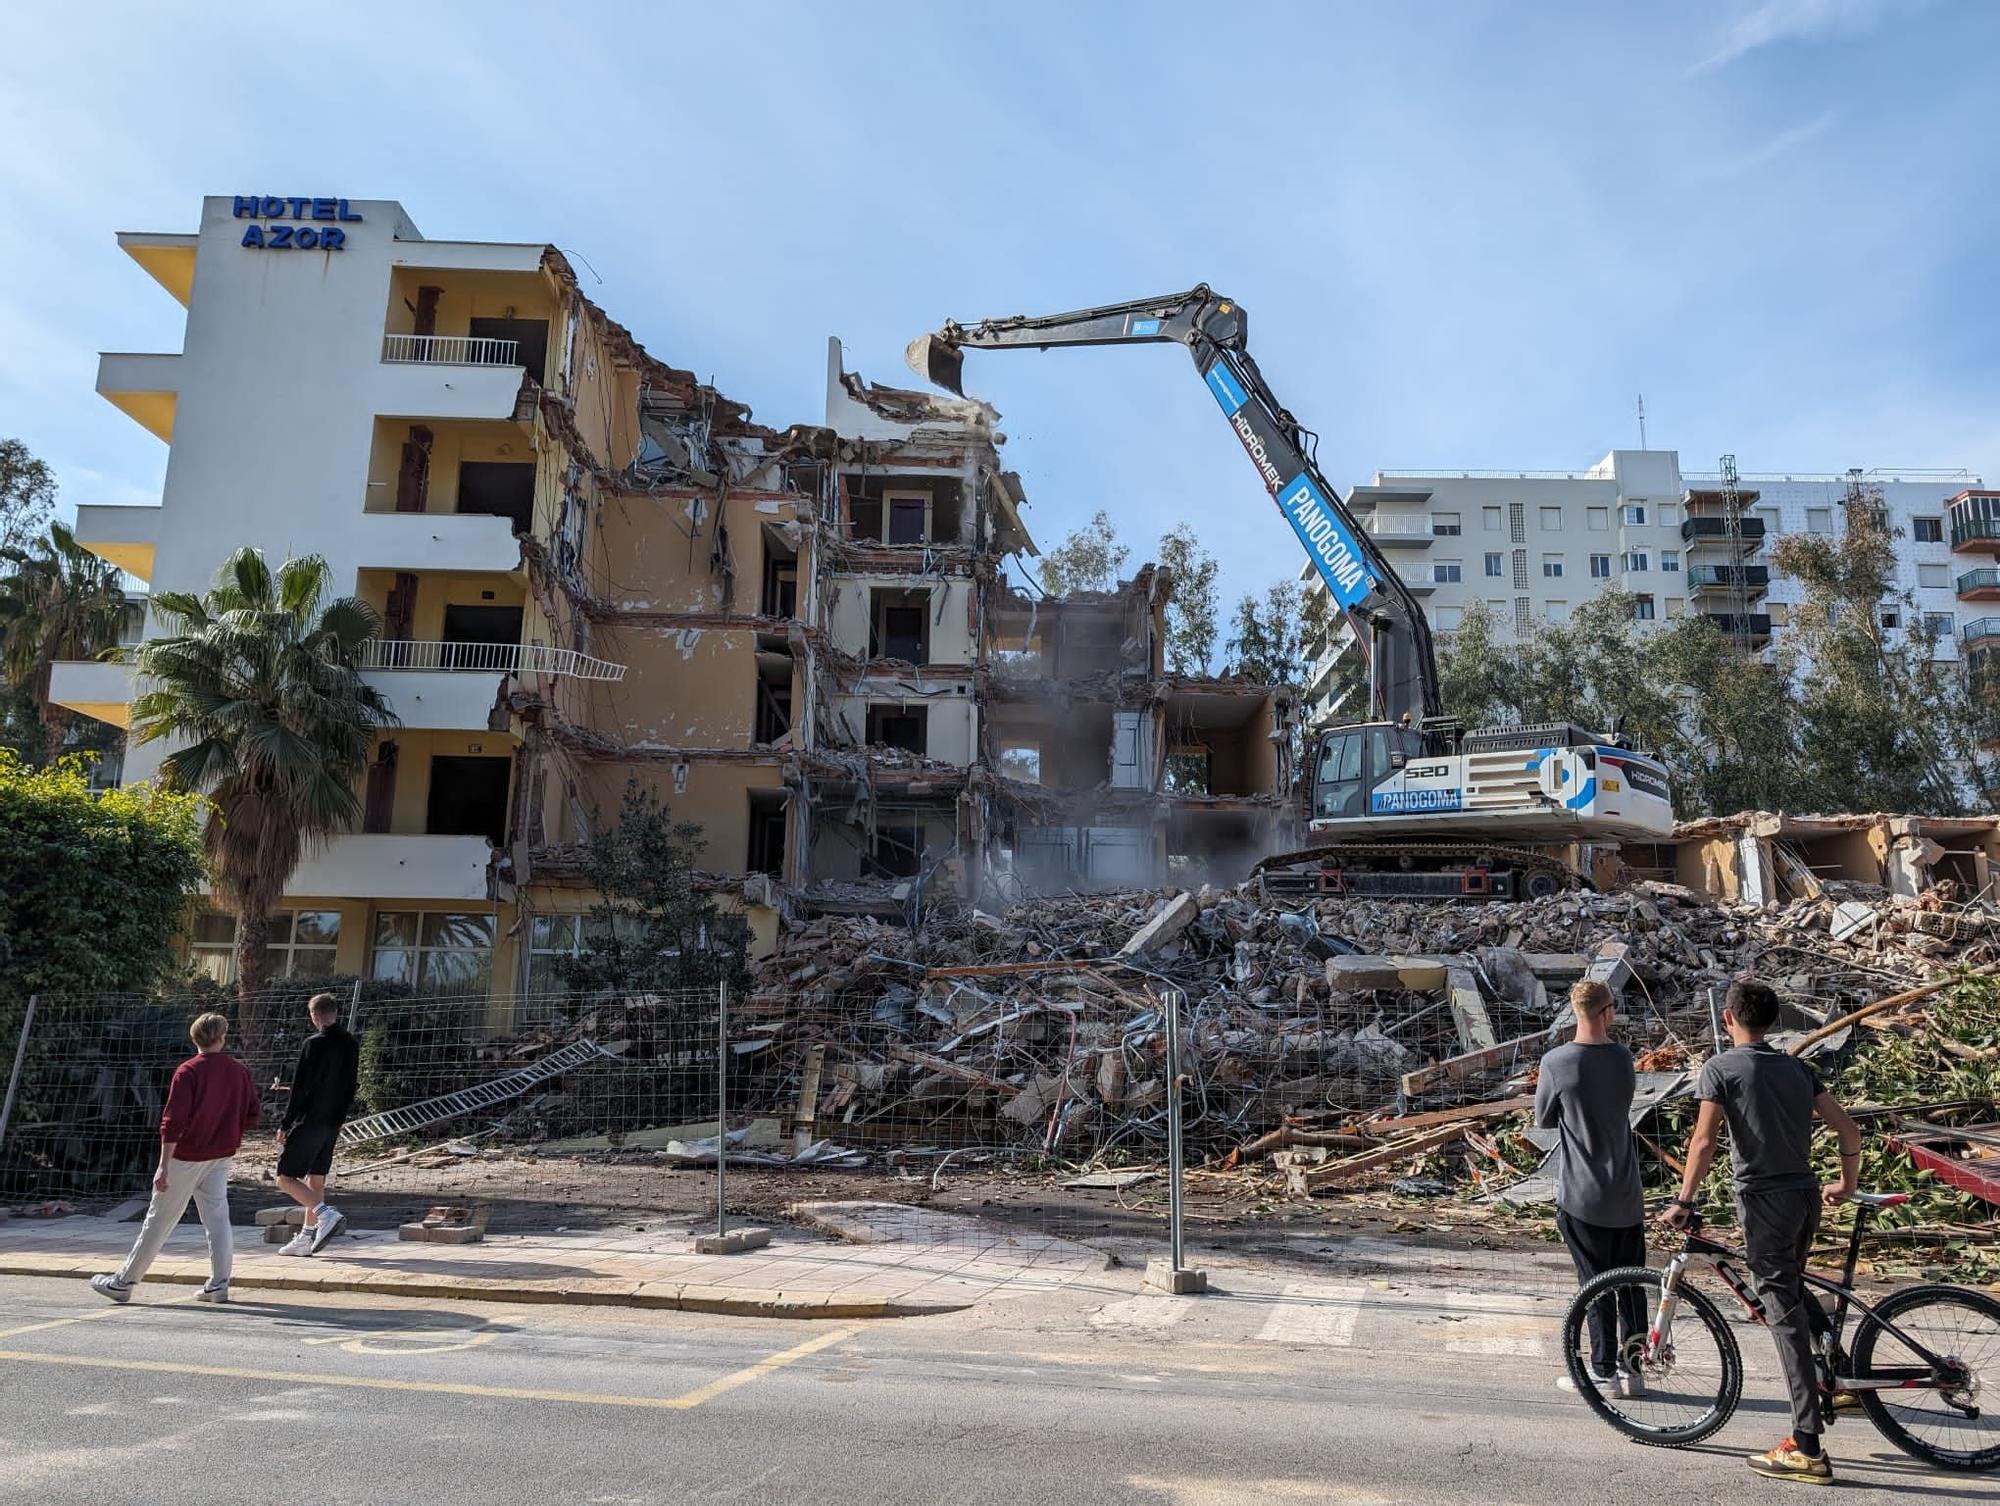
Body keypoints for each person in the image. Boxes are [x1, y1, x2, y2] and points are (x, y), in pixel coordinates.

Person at [1661, 977, 1863, 1486]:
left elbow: (1704, 1142)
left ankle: (1807, 1446)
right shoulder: (1799, 1068)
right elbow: (1849, 1130)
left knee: (1783, 1316)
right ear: (1774, 1022)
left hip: (1763, 1202)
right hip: (1805, 1197)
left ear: (1728, 1019)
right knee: (1791, 1287)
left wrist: (1684, 1201)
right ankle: (1835, 1374)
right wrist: (1846, 1181)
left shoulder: (1720, 1069)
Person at [93, 1012, 260, 1304]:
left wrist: (163, 1165)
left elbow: (173, 1121)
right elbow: (252, 1114)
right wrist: (227, 1132)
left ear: (195, 1038)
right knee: (218, 1217)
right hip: (221, 1154)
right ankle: (219, 1283)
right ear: (221, 1037)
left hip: (187, 1154)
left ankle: (125, 1281)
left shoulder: (187, 1071)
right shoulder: (239, 1071)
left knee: (159, 1218)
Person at [1536, 978, 1646, 1398]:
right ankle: (1634, 1369)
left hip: (1582, 1194)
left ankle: (1603, 1372)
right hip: (1626, 1191)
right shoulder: (1622, 1058)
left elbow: (1544, 1117)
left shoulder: (1557, 1062)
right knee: (1632, 1282)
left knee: (1594, 1282)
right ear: (1608, 1012)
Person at [274, 992, 360, 1255]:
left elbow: (300, 1087)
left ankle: (325, 1214)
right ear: (336, 1012)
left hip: (311, 1117)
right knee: (316, 1177)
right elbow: (351, 1085)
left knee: (285, 1177)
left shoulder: (314, 1044)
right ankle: (305, 1237)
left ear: (315, 1015)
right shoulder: (351, 1043)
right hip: (334, 1119)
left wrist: (286, 1123)